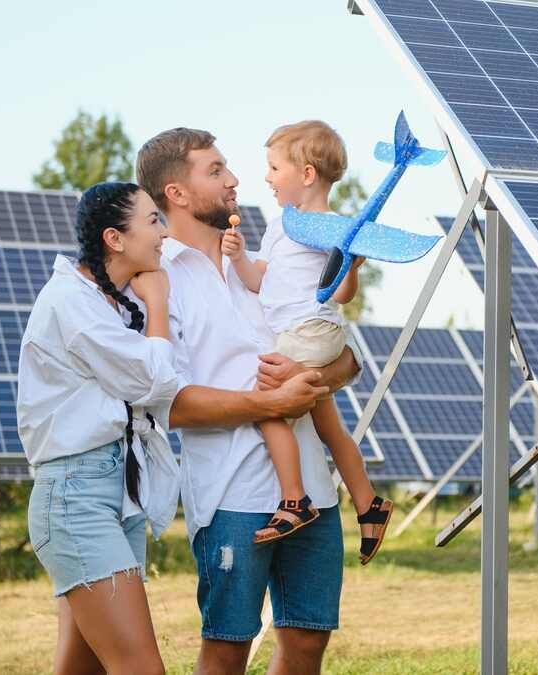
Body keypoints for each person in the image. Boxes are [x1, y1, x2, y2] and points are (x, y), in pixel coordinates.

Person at [136, 127, 362, 675]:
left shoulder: (267, 267)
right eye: (215, 171)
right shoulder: (156, 281)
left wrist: (314, 376)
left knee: (308, 645)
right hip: (232, 495)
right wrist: (274, 402)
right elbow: (172, 404)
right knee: (227, 649)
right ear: (177, 194)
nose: (235, 179)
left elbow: (349, 359)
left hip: (313, 490)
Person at [17, 181, 176, 675]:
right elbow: (153, 379)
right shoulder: (72, 301)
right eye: (153, 220)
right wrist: (159, 303)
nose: (164, 232)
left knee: (82, 668)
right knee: (140, 668)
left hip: (114, 493)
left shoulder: (107, 302)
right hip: (76, 497)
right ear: (115, 238)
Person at [221, 120, 393, 562]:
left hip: (314, 331)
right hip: (298, 334)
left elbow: (340, 294)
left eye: (275, 168)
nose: (267, 177)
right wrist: (240, 258)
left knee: (269, 406)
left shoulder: (333, 228)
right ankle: (369, 503)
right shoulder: (282, 226)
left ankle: (294, 500)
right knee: (328, 427)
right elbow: (262, 281)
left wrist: (351, 268)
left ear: (308, 174)